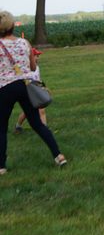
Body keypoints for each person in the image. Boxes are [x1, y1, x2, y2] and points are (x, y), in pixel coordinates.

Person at [0, 11, 66, 175]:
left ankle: (1, 166)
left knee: (1, 127)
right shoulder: (24, 43)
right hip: (25, 85)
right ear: (12, 26)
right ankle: (58, 156)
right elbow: (32, 67)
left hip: (5, 88)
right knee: (36, 123)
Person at [14, 46, 48, 133]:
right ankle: (44, 129)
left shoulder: (37, 67)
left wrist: (43, 87)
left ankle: (18, 126)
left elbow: (38, 79)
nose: (38, 57)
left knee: (31, 110)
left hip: (36, 89)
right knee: (38, 109)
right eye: (36, 55)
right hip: (29, 91)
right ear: (30, 57)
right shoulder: (25, 68)